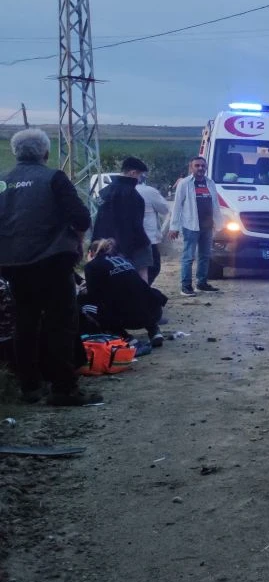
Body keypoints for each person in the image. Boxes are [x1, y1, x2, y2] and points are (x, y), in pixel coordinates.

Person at [0, 128, 101, 406]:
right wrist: (76, 241)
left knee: (25, 322)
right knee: (60, 324)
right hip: (53, 263)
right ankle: (63, 389)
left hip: (13, 265)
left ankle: (29, 387)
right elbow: (81, 218)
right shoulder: (54, 178)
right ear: (45, 153)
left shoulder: (3, 181)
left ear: (15, 153)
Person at [81, 239, 166, 348]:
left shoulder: (92, 265)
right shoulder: (124, 260)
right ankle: (154, 331)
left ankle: (125, 337)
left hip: (127, 317)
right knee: (136, 296)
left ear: (91, 253)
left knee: (86, 306)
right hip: (155, 311)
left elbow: (93, 296)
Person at [167, 156, 222, 296]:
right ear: (191, 167)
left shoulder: (210, 183)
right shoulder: (185, 183)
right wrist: (174, 227)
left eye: (203, 166)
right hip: (191, 226)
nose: (200, 168)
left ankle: (201, 283)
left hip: (207, 226)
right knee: (188, 256)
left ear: (206, 167)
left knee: (205, 255)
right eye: (197, 165)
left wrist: (219, 223)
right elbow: (177, 206)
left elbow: (215, 204)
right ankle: (186, 286)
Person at [92, 156, 150, 279]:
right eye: (140, 175)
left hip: (103, 244)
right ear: (133, 173)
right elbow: (135, 225)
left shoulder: (104, 192)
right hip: (128, 246)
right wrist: (142, 244)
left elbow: (98, 221)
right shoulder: (133, 195)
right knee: (142, 273)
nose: (140, 179)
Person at [135, 172, 171, 286]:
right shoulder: (148, 191)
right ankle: (141, 293)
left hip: (123, 238)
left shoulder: (116, 190)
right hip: (147, 237)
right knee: (153, 267)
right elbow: (165, 209)